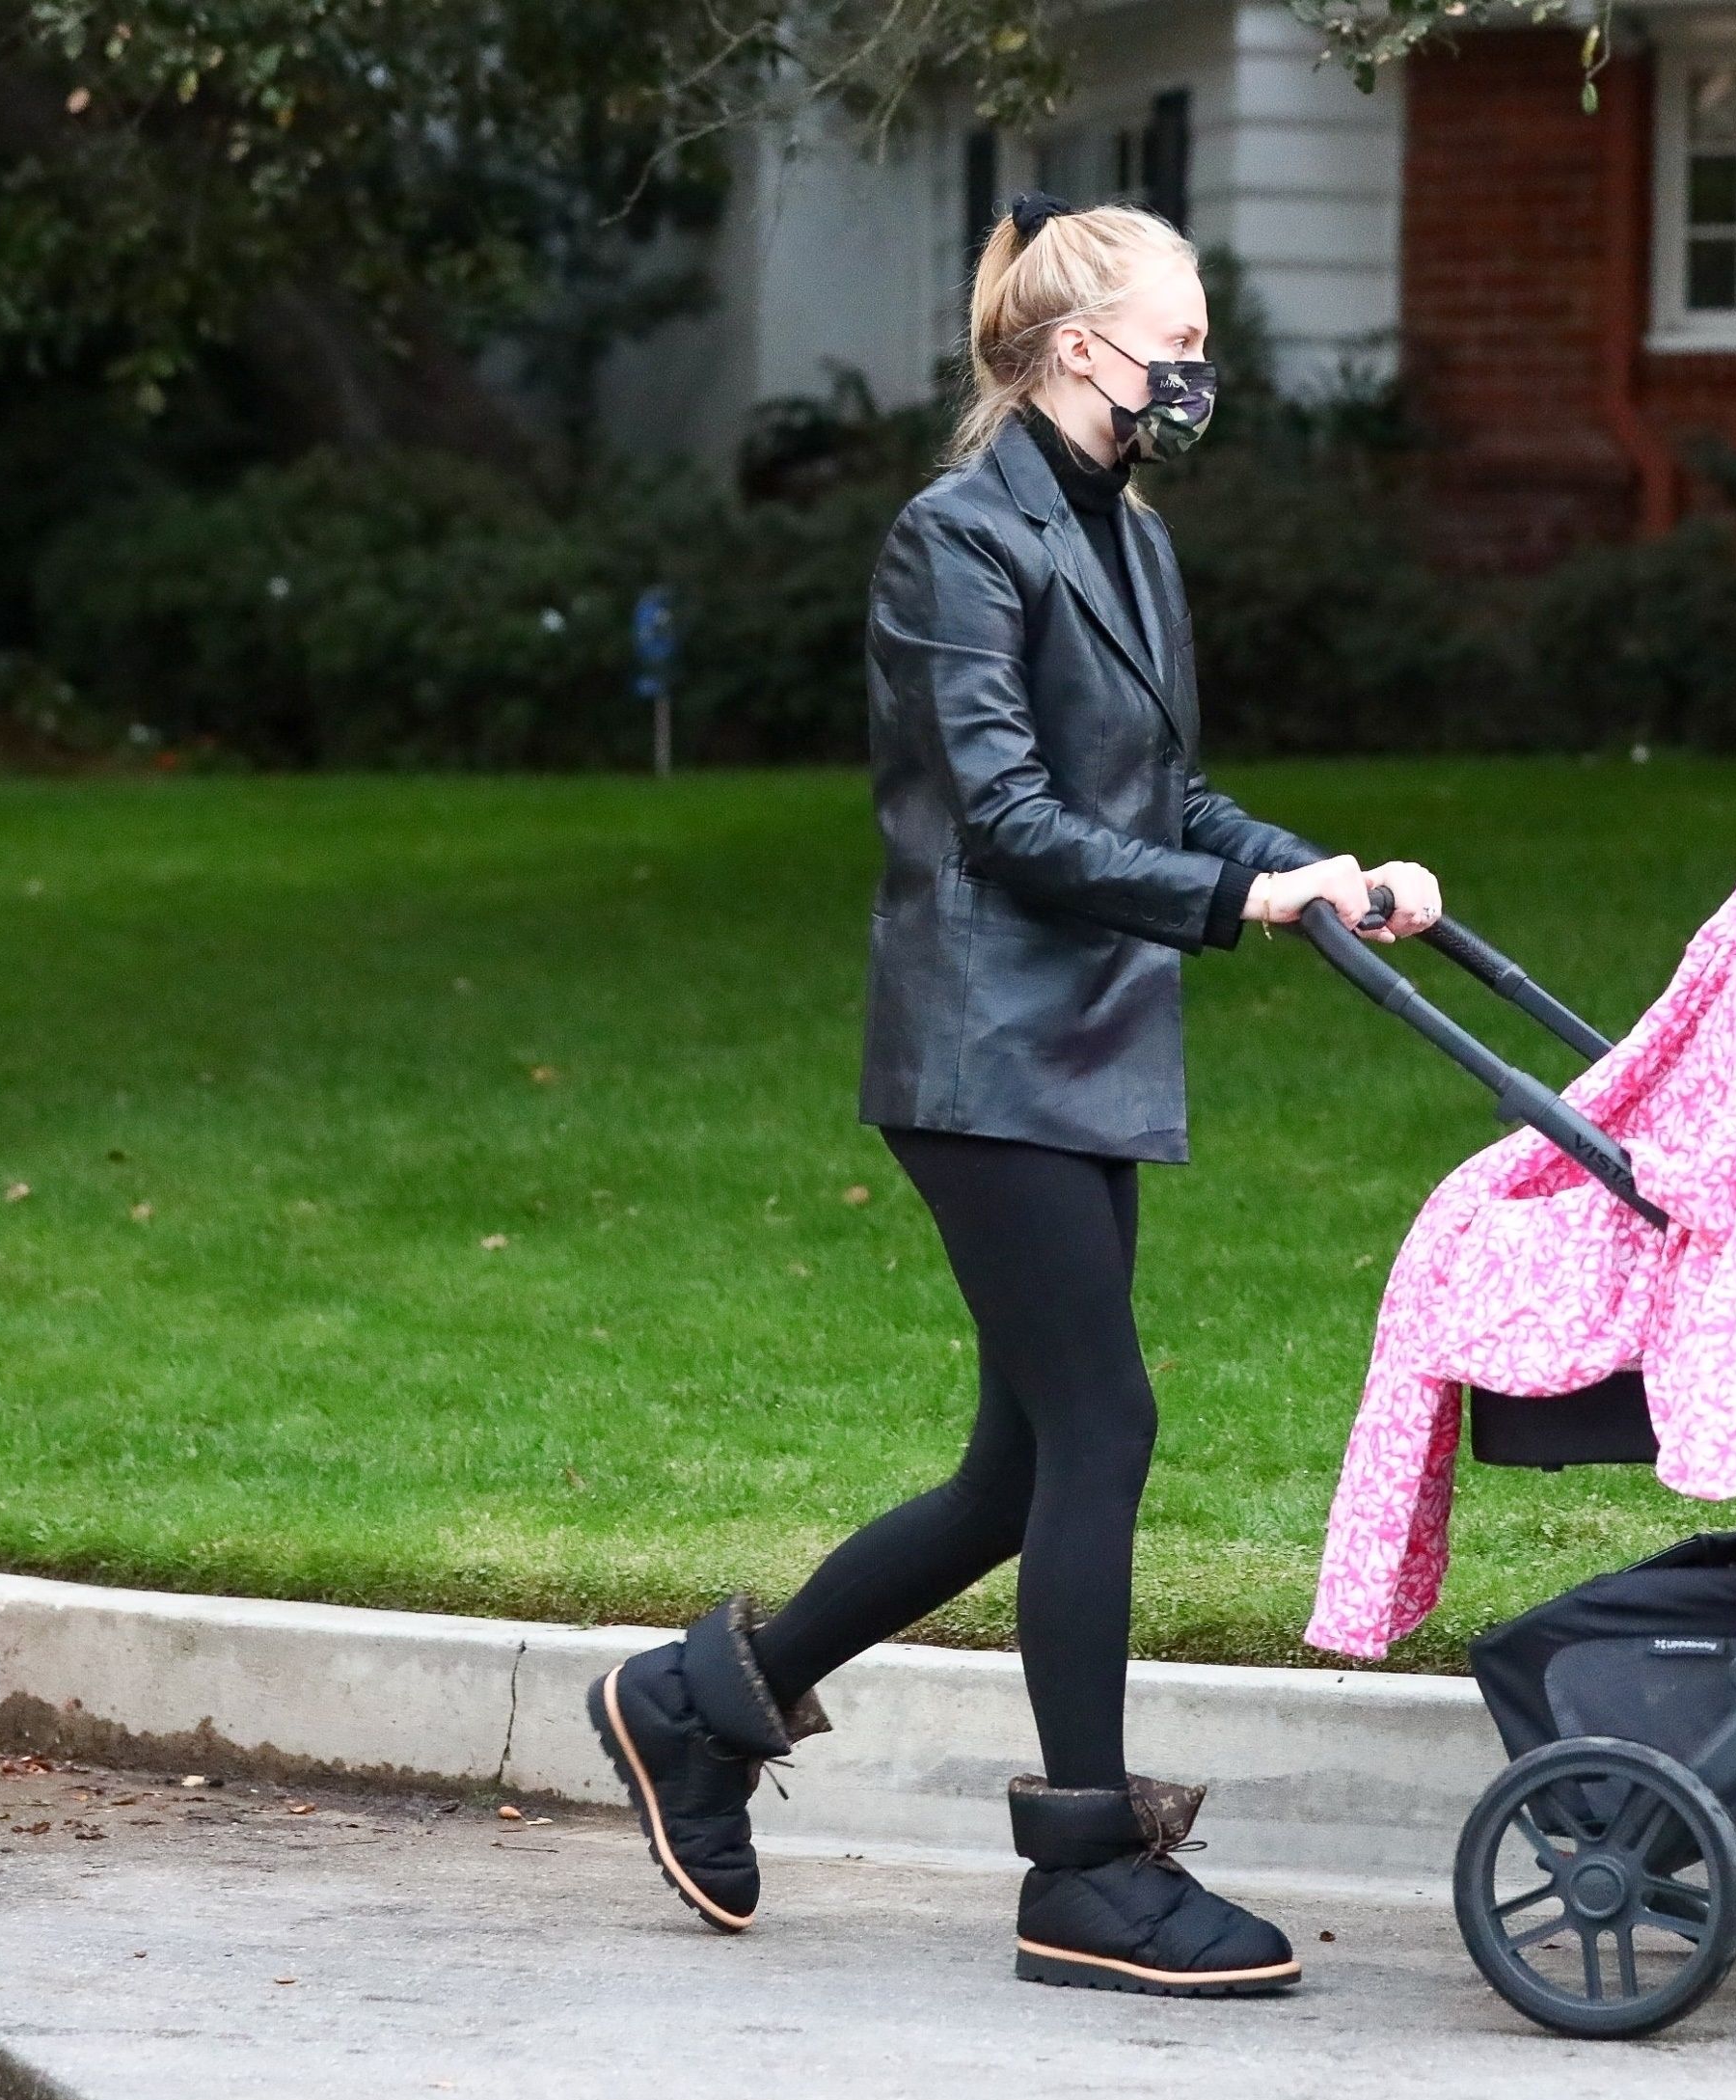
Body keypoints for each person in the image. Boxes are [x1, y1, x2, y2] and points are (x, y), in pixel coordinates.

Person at [585, 192, 1443, 1999]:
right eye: (1182, 341)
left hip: (1087, 1040)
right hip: (982, 1048)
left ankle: (697, 1709)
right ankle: (1083, 1869)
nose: (1203, 370)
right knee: (1102, 1428)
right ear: (1080, 349)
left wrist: (1319, 870)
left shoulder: (1128, 540)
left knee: (1019, 1468)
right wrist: (1238, 902)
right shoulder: (953, 544)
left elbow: (1166, 798)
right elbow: (1010, 820)